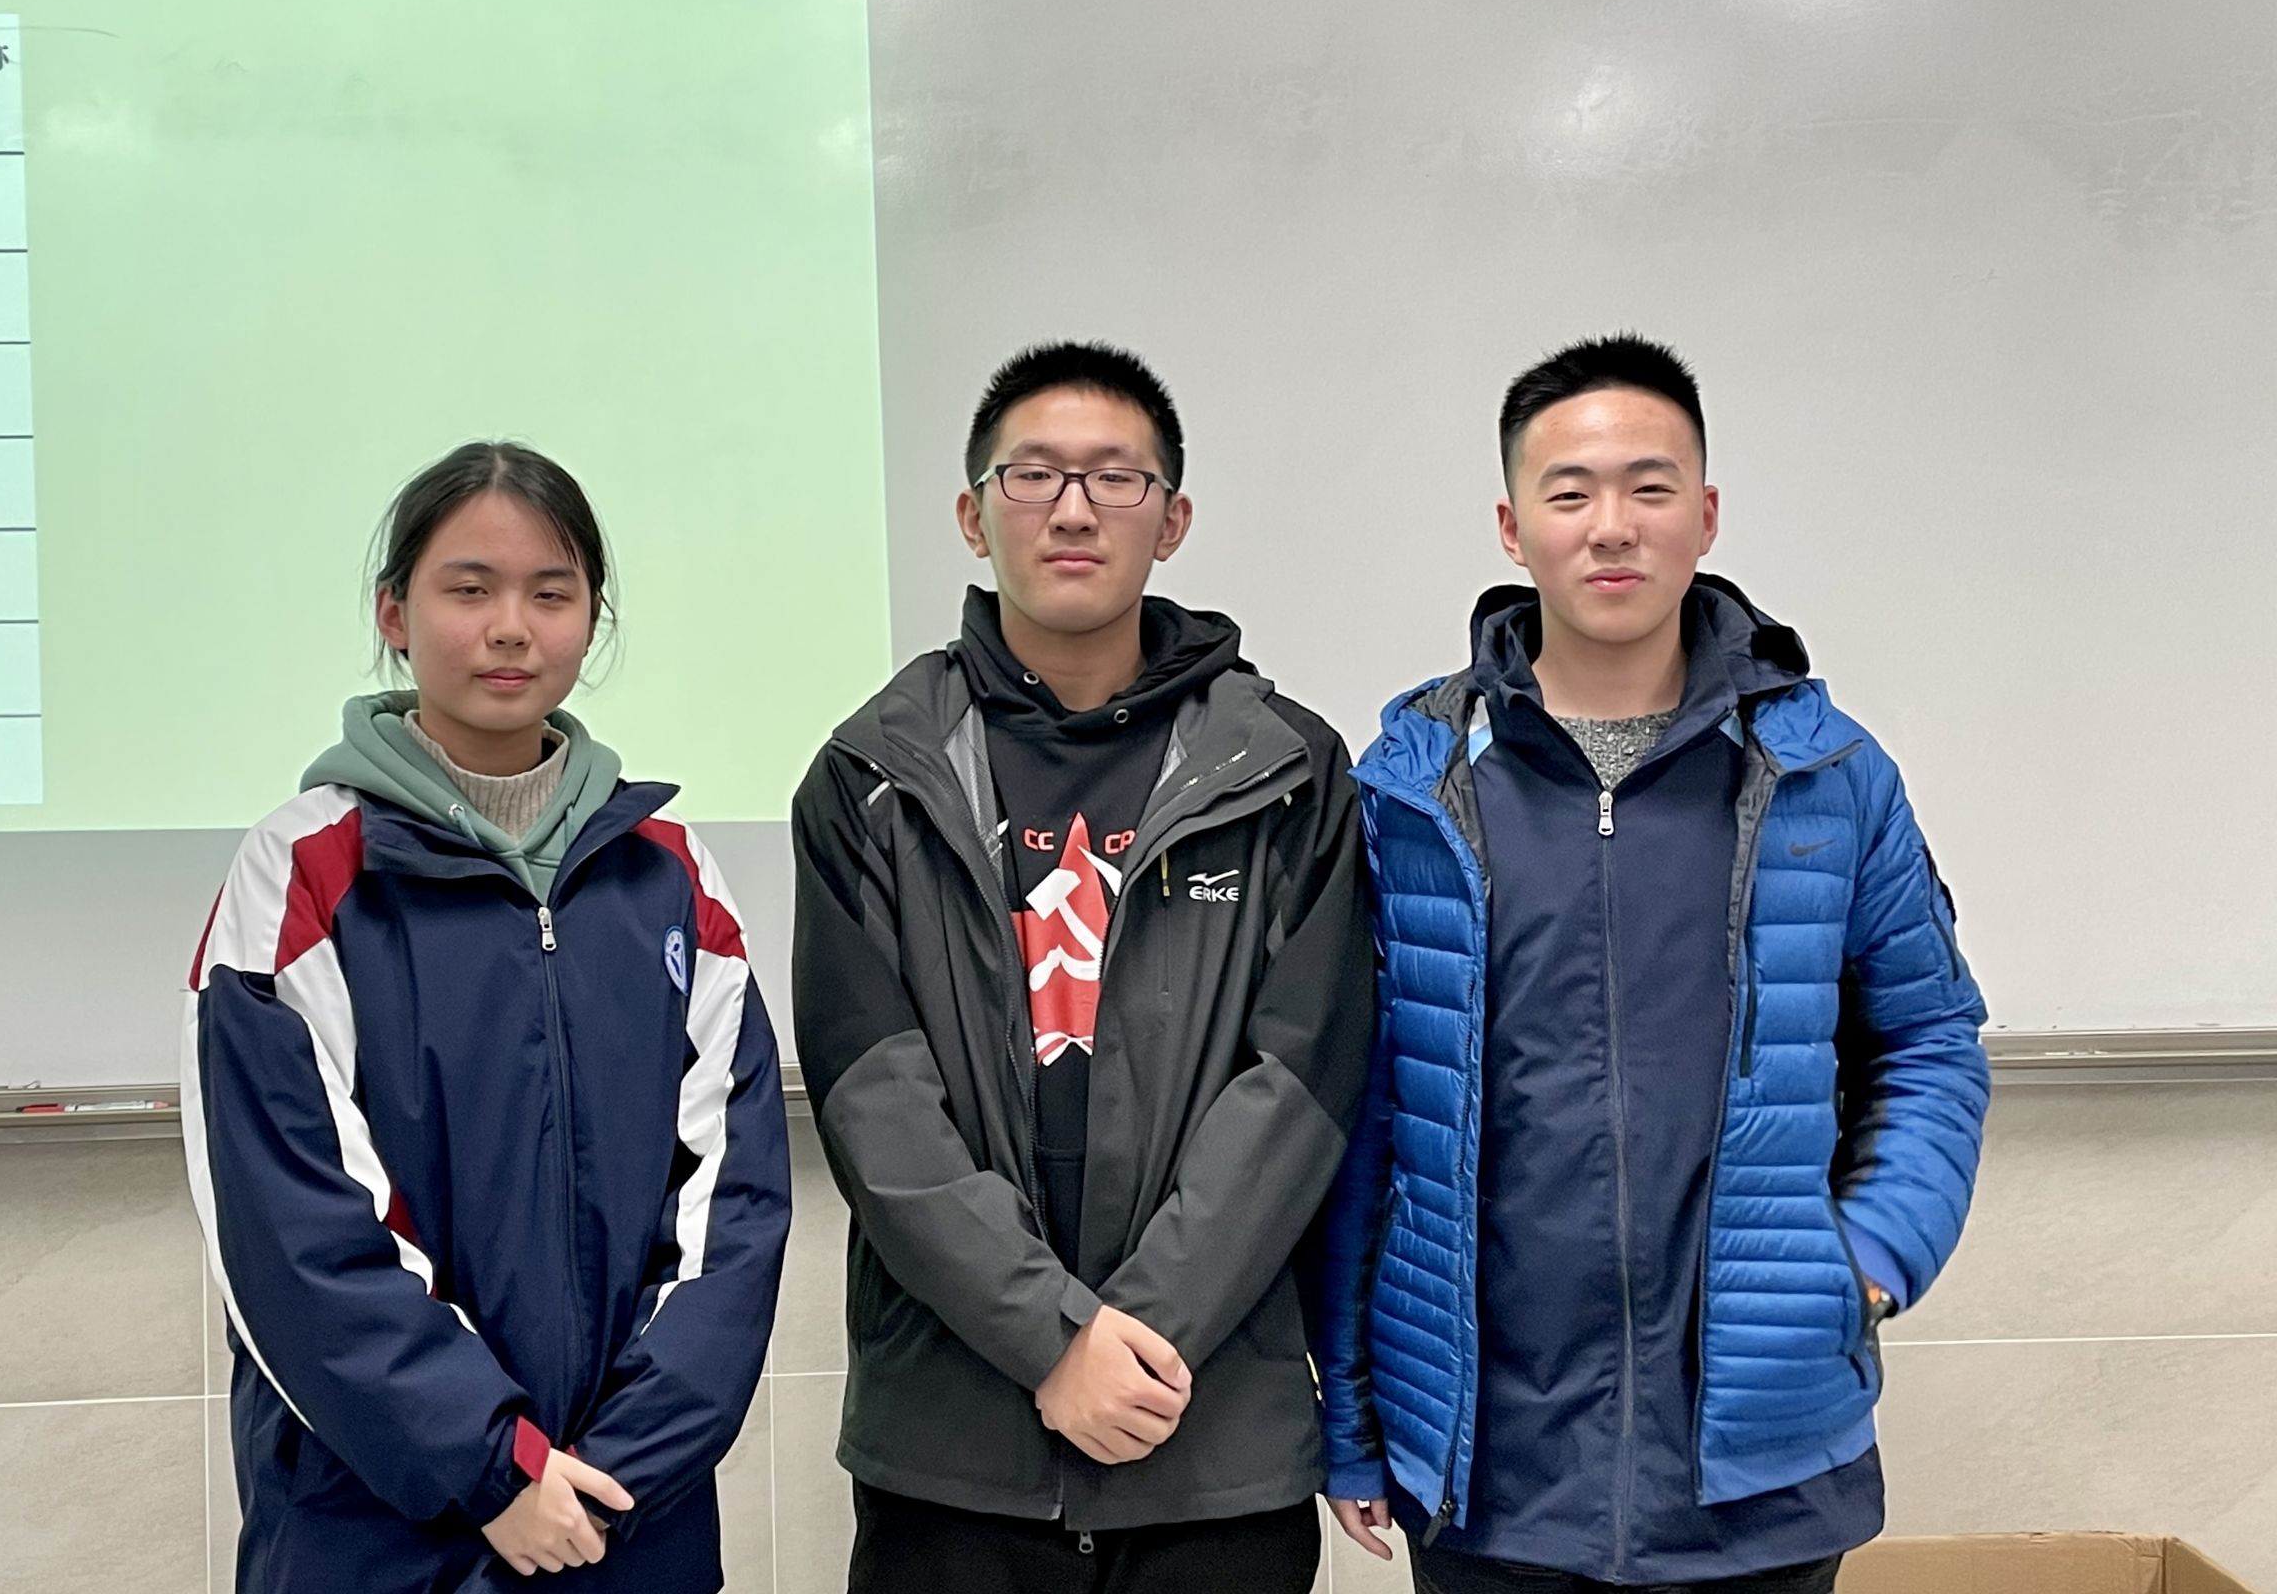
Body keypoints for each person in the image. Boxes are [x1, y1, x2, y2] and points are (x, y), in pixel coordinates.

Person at [1316, 336, 1990, 1591]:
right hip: (1495, 1480)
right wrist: (1353, 1414)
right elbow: (1367, 1112)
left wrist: (1869, 1264)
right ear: (1513, 529)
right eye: (1570, 493)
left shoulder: (1825, 777)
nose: (1612, 527)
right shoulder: (1414, 792)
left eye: (1650, 487)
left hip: (1760, 1470)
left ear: (1707, 515)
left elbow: (1929, 1039)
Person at [791, 341, 1376, 1593]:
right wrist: (1053, 1339)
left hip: (1207, 1437)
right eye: (1034, 475)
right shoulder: (868, 776)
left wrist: (1133, 1342)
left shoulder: (1287, 771)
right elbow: (869, 1101)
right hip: (953, 1450)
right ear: (972, 516)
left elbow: (1303, 1083)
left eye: (1116, 478)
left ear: (1173, 520)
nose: (1072, 509)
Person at [181, 441, 788, 1592]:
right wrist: (495, 1469)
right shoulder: (303, 874)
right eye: (470, 589)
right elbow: (292, 1232)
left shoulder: (670, 876)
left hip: (625, 1529)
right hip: (376, 1533)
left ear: (591, 622)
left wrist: (609, 1476)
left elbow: (734, 1209)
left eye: (551, 593)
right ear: (394, 613)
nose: (512, 628)